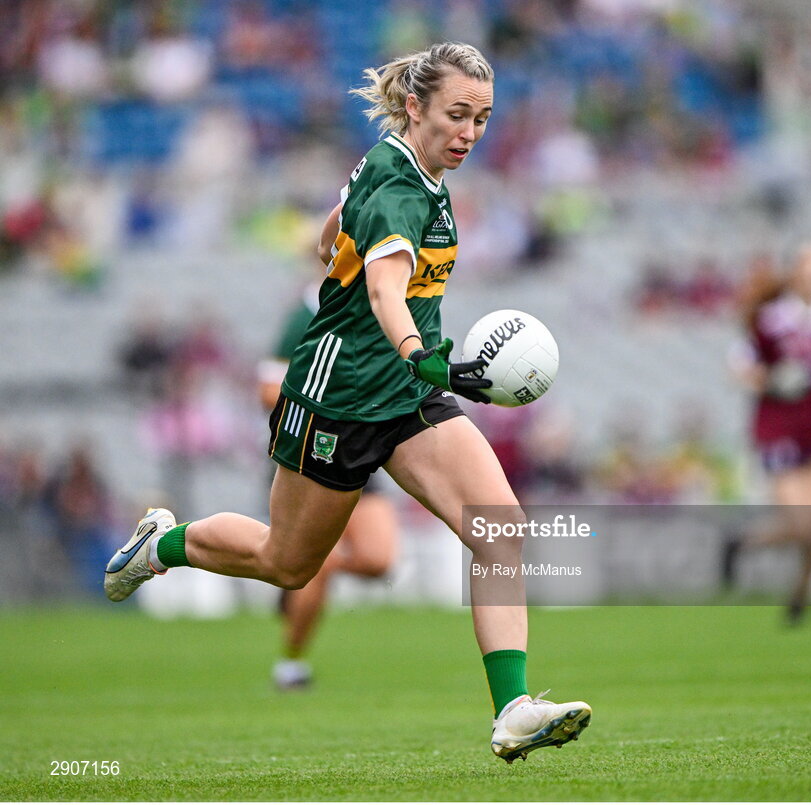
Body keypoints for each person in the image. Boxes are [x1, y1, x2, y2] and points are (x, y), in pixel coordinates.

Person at [104, 42, 590, 762]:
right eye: (458, 115)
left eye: (483, 119)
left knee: (499, 530)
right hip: (339, 395)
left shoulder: (408, 166)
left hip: (406, 394)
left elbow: (336, 225)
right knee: (287, 561)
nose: (470, 133)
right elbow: (385, 289)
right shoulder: (399, 183)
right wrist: (419, 353)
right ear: (416, 105)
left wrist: (342, 252)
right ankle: (162, 543)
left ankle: (513, 707)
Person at [258, 277, 400, 691]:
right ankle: (291, 662)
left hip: (363, 448)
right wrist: (334, 400)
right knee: (298, 563)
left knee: (378, 559)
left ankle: (317, 563)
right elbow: (268, 389)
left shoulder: (384, 298)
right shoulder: (305, 311)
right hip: (313, 451)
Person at [724, 242, 811, 623]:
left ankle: (801, 592)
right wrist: (772, 379)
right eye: (809, 268)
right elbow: (739, 368)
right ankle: (743, 543)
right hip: (777, 428)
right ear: (796, 273)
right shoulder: (770, 319)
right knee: (804, 524)